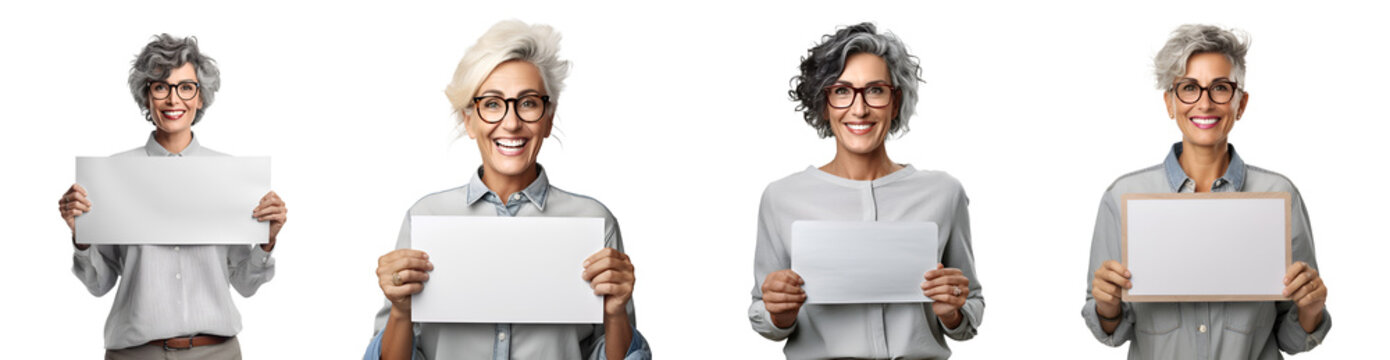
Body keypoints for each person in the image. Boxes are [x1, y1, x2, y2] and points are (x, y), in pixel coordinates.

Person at [364, 20, 651, 360]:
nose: (512, 122)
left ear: (548, 118)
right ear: (469, 120)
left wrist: (616, 313)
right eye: (492, 103)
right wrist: (399, 311)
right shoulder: (426, 218)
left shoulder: (593, 222)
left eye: (528, 103)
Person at [1082, 24, 1331, 359]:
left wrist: (1311, 309)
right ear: (1170, 103)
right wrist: (1107, 306)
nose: (1205, 103)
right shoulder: (1123, 198)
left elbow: (1292, 337)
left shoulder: (1279, 197)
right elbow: (1114, 331)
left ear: (1240, 104)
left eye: (1220, 88)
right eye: (1189, 88)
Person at [749, 22, 984, 359]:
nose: (859, 109)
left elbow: (970, 308)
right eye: (842, 91)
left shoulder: (943, 193)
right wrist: (779, 313)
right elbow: (764, 316)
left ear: (895, 100)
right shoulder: (781, 198)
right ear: (824, 101)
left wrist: (952, 311)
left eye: (875, 90)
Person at [59, 33, 287, 359]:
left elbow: (245, 284)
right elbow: (99, 284)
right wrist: (81, 237)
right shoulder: (114, 174)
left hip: (216, 352)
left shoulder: (229, 175)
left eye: (185, 87)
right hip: (136, 353)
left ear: (200, 97)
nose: (173, 99)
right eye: (160, 87)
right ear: (146, 95)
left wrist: (267, 241)